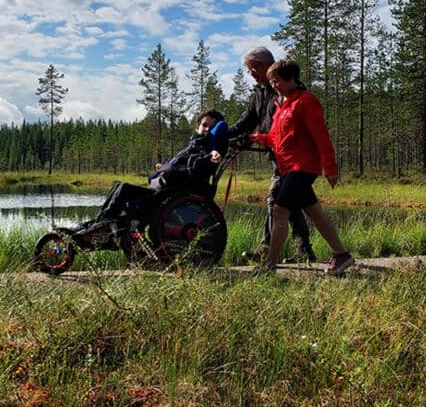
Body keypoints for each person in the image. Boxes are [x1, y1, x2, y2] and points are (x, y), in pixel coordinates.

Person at [249, 59, 354, 273]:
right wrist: (258, 138)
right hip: (288, 168)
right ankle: (342, 255)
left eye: (276, 81)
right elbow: (279, 138)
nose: (273, 85)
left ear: (291, 78)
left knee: (279, 211)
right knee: (314, 212)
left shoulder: (306, 101)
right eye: (271, 81)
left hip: (302, 167)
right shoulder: (281, 106)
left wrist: (331, 168)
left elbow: (321, 137)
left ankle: (268, 265)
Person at [227, 47, 316, 263]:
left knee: (276, 200)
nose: (251, 75)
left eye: (252, 69)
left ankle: (267, 253)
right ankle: (305, 251)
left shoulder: (288, 91)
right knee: (294, 204)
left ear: (264, 65)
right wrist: (223, 135)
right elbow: (246, 121)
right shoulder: (259, 94)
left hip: (294, 160)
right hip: (278, 157)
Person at [91, 109, 228, 224]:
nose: (207, 129)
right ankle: (99, 222)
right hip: (158, 190)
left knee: (123, 189)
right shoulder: (193, 145)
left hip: (165, 197)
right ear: (197, 128)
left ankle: (101, 226)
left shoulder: (207, 150)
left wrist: (212, 154)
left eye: (212, 127)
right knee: (118, 187)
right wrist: (165, 167)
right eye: (204, 125)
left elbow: (196, 167)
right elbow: (182, 166)